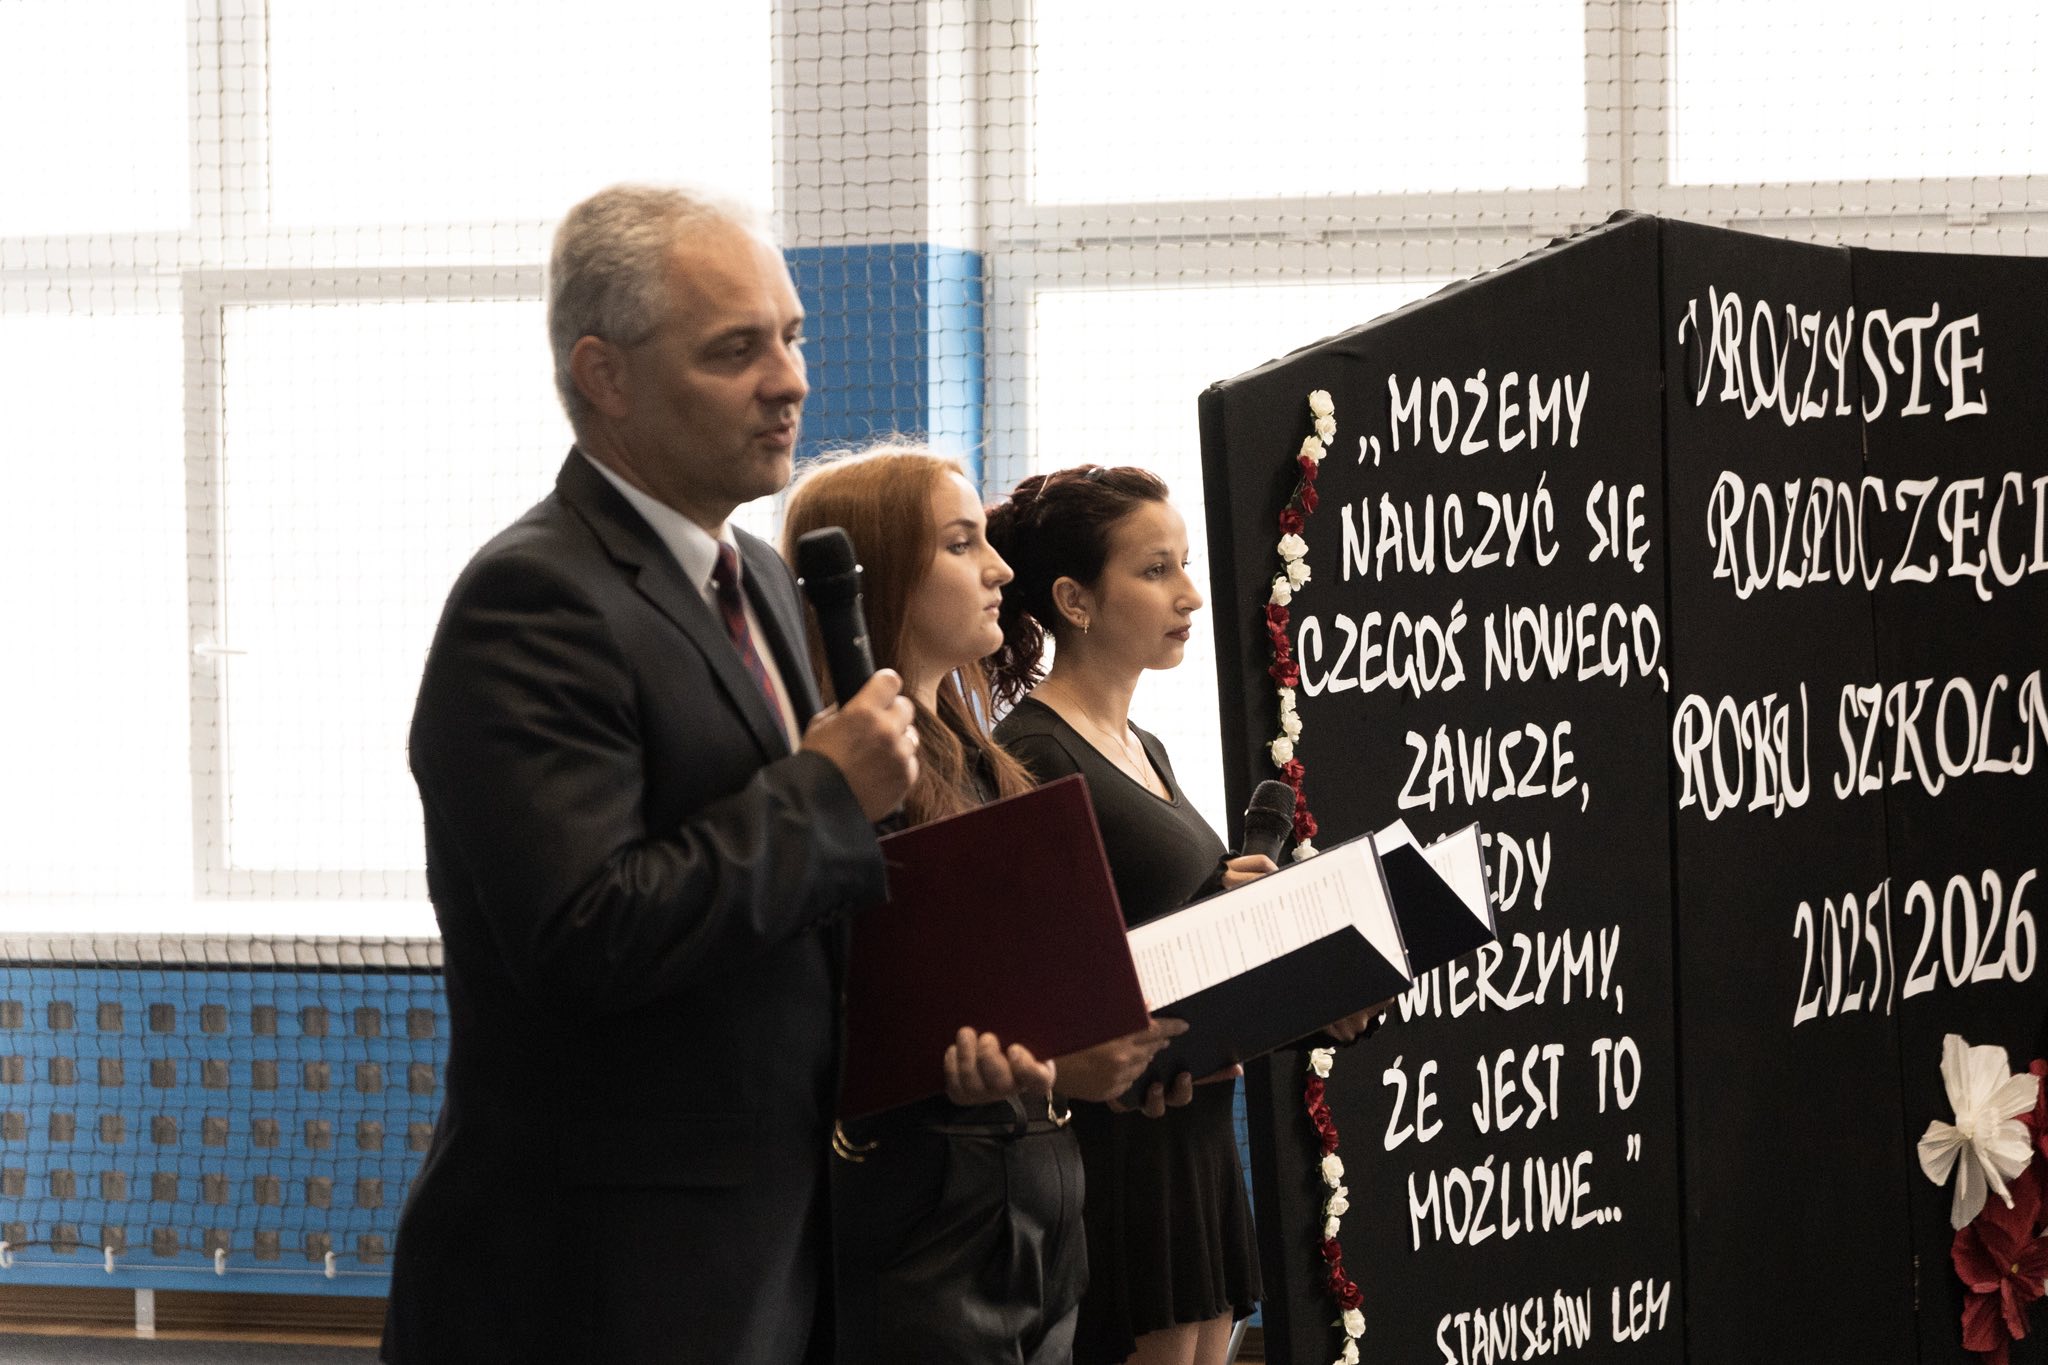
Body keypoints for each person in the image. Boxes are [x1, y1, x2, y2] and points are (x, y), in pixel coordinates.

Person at [383, 185, 920, 1365]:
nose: (789, 381)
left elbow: (793, 931)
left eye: (791, 338)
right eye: (735, 351)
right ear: (605, 375)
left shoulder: (762, 579)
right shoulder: (535, 599)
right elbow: (587, 933)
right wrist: (826, 795)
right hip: (599, 1284)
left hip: (770, 1250)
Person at [780, 446, 1183, 1365]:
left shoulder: (984, 762)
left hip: (1037, 1210)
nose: (1000, 569)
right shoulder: (838, 781)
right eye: (962, 546)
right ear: (883, 576)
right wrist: (1032, 1057)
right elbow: (850, 1015)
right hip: (930, 1233)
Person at [987, 465, 1378, 1365]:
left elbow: (1174, 938)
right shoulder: (1034, 756)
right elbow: (1047, 982)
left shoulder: (1146, 746)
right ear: (1075, 600)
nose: (1190, 595)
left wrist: (1314, 987)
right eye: (1155, 569)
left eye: (1186, 565)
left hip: (1196, 1142)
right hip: (1124, 1160)